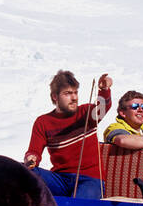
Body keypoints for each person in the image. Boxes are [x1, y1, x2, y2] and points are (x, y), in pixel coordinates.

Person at [25, 70, 112, 199]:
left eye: (75, 92)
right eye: (68, 93)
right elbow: (34, 152)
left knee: (78, 205)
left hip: (89, 180)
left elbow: (102, 109)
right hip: (60, 180)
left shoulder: (86, 113)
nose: (74, 97)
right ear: (55, 96)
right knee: (20, 171)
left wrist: (104, 90)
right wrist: (31, 159)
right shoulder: (43, 122)